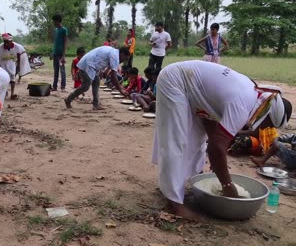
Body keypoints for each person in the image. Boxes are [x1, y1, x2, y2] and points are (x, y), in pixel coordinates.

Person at [152, 60, 292, 220]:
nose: (263, 129)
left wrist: (217, 155)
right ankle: (174, 204)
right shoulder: (243, 105)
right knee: (176, 140)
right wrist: (227, 186)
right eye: (268, 125)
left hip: (191, 88)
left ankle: (185, 184)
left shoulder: (252, 96)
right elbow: (216, 147)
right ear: (267, 114)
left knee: (197, 139)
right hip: (175, 80)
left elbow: (210, 116)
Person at [64, 46, 131, 111]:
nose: (123, 61)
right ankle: (68, 99)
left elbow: (107, 63)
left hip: (92, 66)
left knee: (96, 82)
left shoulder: (114, 52)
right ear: (122, 54)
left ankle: (96, 104)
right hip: (88, 65)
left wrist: (104, 70)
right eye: (125, 59)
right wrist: (120, 90)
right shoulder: (115, 56)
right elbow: (114, 76)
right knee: (85, 86)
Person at [0, 33, 31, 99]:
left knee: (12, 78)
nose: (6, 43)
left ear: (11, 41)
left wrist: (18, 66)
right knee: (4, 79)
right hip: (3, 63)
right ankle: (5, 92)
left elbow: (18, 56)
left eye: (7, 42)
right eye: (4, 42)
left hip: (11, 62)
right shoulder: (0, 47)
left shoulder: (17, 47)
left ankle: (12, 94)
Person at [51, 14, 68, 92]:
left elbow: (65, 43)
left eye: (54, 21)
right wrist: (52, 52)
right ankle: (54, 86)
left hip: (61, 54)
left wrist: (64, 56)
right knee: (56, 71)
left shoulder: (64, 30)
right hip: (55, 53)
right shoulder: (56, 30)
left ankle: (63, 86)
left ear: (58, 21)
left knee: (62, 71)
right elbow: (55, 43)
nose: (53, 23)